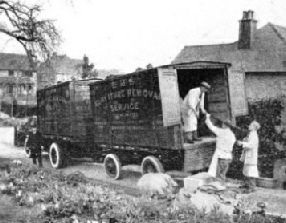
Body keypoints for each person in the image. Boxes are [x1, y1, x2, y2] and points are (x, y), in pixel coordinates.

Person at [205, 114, 236, 182]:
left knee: (218, 175)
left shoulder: (221, 132)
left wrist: (207, 117)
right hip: (228, 157)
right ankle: (222, 187)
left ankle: (218, 187)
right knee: (223, 174)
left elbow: (210, 126)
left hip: (220, 156)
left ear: (224, 125)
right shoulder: (232, 134)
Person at [237, 121, 261, 193]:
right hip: (248, 155)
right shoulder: (251, 134)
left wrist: (242, 143)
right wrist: (244, 141)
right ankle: (247, 185)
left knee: (251, 172)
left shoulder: (254, 136)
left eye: (250, 125)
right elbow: (247, 142)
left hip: (251, 156)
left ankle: (252, 187)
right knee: (246, 171)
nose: (249, 126)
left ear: (254, 127)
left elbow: (250, 145)